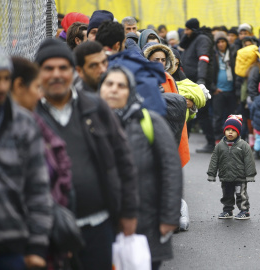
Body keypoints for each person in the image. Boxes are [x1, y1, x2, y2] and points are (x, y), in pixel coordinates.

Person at [34, 38, 139, 270]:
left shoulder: (96, 107)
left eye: (63, 68)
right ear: (38, 74)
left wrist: (129, 213)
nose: (56, 74)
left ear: (74, 72)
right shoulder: (28, 116)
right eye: (48, 68)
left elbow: (124, 161)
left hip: (98, 227)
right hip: (48, 232)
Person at [99, 66, 182, 270]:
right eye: (109, 84)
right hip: (100, 225)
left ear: (131, 91)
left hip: (147, 223)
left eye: (121, 85)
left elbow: (171, 170)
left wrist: (170, 218)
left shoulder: (150, 121)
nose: (114, 89)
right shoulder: (88, 122)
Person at [0, 35, 53, 270]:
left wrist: (36, 246)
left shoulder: (23, 124)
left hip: (12, 248)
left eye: (6, 78)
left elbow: (37, 189)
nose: (3, 86)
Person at [10, 56, 73, 269]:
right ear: (18, 86)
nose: (40, 95)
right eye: (37, 87)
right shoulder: (13, 130)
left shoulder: (33, 123)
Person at [207, 115, 257, 220]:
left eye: (233, 130)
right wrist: (211, 174)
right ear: (224, 131)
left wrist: (250, 175)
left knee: (241, 195)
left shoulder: (243, 145)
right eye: (228, 130)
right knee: (227, 195)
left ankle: (244, 211)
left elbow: (249, 161)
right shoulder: (220, 146)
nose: (230, 132)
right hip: (225, 177)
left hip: (240, 177)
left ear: (238, 132)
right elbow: (214, 160)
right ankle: (227, 210)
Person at [180, 18, 216, 153]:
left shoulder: (202, 39)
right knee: (189, 113)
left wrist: (201, 80)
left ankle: (211, 142)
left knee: (202, 114)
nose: (185, 32)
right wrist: (187, 35)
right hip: (190, 82)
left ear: (193, 29)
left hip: (197, 83)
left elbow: (203, 60)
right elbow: (182, 45)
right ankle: (184, 143)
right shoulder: (192, 39)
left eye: (187, 29)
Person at [212, 31, 237, 142]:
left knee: (232, 117)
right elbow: (208, 74)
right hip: (219, 91)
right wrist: (213, 88)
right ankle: (217, 138)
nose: (221, 44)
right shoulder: (213, 55)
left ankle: (231, 139)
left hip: (231, 91)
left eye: (223, 41)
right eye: (219, 42)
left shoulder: (232, 54)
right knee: (217, 117)